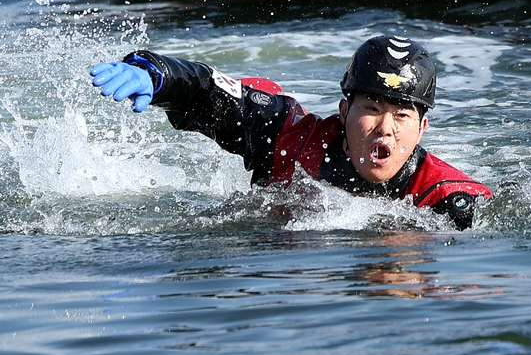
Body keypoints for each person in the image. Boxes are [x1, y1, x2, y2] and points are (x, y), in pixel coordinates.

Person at [89, 35, 492, 230]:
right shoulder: (287, 135)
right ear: (343, 110)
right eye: (370, 109)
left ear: (422, 128)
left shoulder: (449, 199)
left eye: (401, 116)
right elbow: (211, 92)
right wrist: (158, 75)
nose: (384, 129)